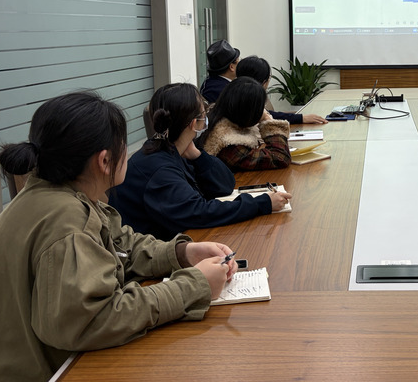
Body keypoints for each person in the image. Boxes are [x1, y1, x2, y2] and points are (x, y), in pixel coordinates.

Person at [0, 92, 238, 382]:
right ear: (104, 160)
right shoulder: (67, 223)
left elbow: (121, 244)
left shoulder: (61, 195)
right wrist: (194, 286)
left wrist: (182, 253)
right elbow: (94, 319)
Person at [109, 83, 291, 240]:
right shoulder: (158, 168)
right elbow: (199, 212)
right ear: (193, 123)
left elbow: (225, 186)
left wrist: (198, 156)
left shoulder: (172, 149)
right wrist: (261, 203)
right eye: (204, 114)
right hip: (147, 258)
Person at [202, 76, 292, 171]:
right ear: (249, 111)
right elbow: (280, 158)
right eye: (261, 107)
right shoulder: (228, 143)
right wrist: (269, 121)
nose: (263, 111)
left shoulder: (220, 118)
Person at [236, 55, 327, 124]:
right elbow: (267, 116)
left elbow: (269, 114)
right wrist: (301, 118)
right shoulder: (249, 102)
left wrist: (300, 117)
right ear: (264, 82)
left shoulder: (235, 94)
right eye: (269, 78)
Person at [199, 39, 240, 103]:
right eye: (238, 62)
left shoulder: (209, 82)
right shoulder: (228, 91)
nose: (240, 65)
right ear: (231, 67)